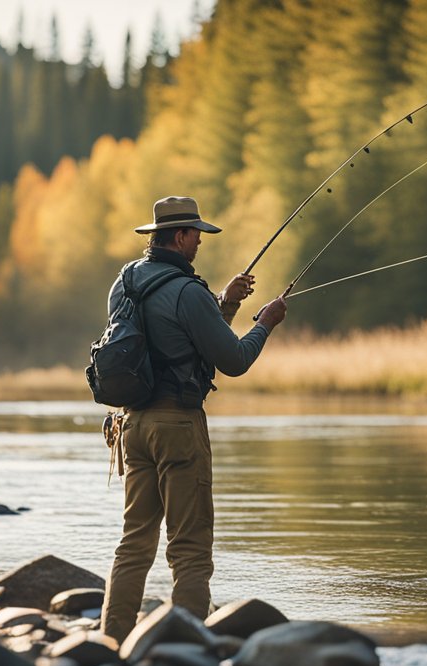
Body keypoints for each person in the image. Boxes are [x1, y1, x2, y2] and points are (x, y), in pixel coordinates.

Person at [100, 195, 287, 643]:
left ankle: (109, 640)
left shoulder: (124, 282)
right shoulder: (188, 291)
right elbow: (234, 360)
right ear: (181, 236)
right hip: (178, 428)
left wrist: (225, 303)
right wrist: (266, 324)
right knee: (190, 549)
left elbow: (166, 341)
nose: (200, 242)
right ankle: (184, 649)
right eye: (197, 234)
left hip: (132, 426)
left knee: (135, 543)